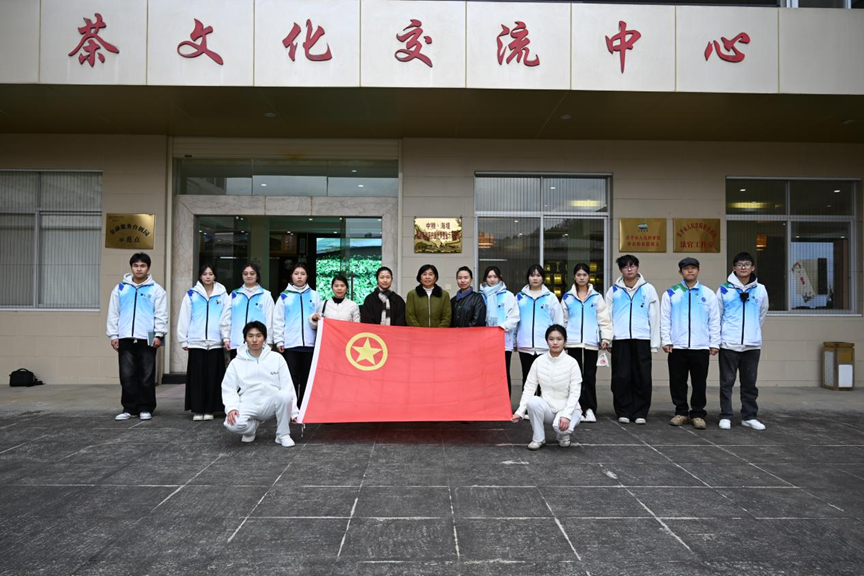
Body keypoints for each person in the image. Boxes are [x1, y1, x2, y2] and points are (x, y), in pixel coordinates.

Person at [106, 253, 168, 421]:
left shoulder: (156, 289)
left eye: (142, 266)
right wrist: (113, 335)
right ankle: (129, 408)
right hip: (125, 336)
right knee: (127, 374)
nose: (139, 269)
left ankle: (145, 407)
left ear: (148, 268)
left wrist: (159, 335)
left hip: (147, 337)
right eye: (136, 265)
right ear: (131, 267)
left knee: (147, 375)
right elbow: (113, 313)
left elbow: (161, 314)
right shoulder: (120, 289)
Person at [660, 257, 720, 430]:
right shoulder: (671, 293)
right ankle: (681, 412)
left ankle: (698, 414)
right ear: (680, 272)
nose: (690, 271)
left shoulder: (708, 294)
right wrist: (667, 340)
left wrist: (714, 343)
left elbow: (714, 320)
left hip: (700, 346)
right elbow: (665, 319)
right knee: (677, 381)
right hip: (677, 346)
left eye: (693, 268)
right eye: (686, 268)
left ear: (698, 270)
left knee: (699, 382)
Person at [222, 321, 298, 447]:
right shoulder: (236, 362)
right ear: (245, 339)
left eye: (258, 336)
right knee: (231, 424)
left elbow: (287, 385)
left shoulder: (276, 358)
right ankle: (251, 429)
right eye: (250, 336)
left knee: (285, 395)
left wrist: (294, 412)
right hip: (248, 403)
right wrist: (232, 407)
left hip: (270, 403)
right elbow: (228, 388)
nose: (254, 340)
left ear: (264, 338)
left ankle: (283, 435)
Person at [716, 252, 769, 431]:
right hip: (729, 344)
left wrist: (752, 332)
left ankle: (749, 416)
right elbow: (717, 316)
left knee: (749, 383)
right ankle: (726, 415)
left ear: (752, 267)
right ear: (734, 268)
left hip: (751, 345)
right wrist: (719, 339)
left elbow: (762, 314)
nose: (743, 267)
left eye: (747, 264)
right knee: (727, 382)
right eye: (739, 264)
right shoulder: (724, 289)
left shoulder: (760, 289)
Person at [605, 255, 660, 425]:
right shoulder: (614, 291)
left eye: (632, 266)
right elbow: (607, 317)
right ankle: (623, 410)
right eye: (625, 267)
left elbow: (655, 316)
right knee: (621, 376)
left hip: (642, 338)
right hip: (620, 339)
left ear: (637, 267)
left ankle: (640, 412)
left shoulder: (648, 289)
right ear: (620, 269)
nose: (629, 269)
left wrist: (654, 343)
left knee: (642, 376)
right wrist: (608, 339)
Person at [511, 325, 583, 450]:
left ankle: (563, 436)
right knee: (533, 401)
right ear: (546, 341)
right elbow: (529, 388)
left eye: (559, 339)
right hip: (548, 409)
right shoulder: (539, 361)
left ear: (565, 341)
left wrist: (566, 414)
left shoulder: (572, 363)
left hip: (570, 409)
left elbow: (575, 392)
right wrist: (520, 411)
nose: (555, 342)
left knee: (560, 427)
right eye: (551, 339)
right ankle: (538, 439)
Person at [177, 263, 230, 421]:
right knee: (197, 379)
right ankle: (198, 409)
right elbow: (184, 317)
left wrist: (225, 337)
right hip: (196, 342)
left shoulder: (223, 294)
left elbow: (226, 318)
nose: (208, 277)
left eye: (211, 274)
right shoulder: (191, 294)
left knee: (213, 378)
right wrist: (183, 339)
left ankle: (210, 410)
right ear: (200, 276)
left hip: (215, 342)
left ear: (215, 276)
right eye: (205, 274)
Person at [561, 263, 612, 423]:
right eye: (578, 275)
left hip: (591, 342)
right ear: (574, 277)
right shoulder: (567, 297)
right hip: (573, 343)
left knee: (590, 376)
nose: (581, 277)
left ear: (589, 277)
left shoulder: (597, 297)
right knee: (574, 377)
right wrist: (562, 340)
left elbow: (604, 320)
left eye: (584, 275)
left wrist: (605, 338)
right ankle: (576, 408)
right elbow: (563, 321)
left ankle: (589, 408)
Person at [273, 263, 321, 406]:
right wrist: (279, 341)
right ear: (291, 276)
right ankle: (292, 407)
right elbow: (278, 320)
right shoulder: (284, 296)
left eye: (303, 274)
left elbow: (320, 318)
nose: (299, 277)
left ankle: (303, 406)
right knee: (291, 377)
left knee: (307, 377)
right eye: (296, 273)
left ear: (307, 276)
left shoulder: (314, 295)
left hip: (310, 344)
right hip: (291, 344)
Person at [516, 264, 564, 392]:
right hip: (525, 345)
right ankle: (528, 403)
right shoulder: (520, 297)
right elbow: (515, 320)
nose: (535, 278)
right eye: (532, 275)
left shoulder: (550, 297)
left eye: (538, 275)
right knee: (527, 378)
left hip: (544, 346)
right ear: (528, 277)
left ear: (543, 278)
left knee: (545, 380)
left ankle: (544, 404)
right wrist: (515, 340)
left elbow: (558, 321)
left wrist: (558, 341)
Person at [479, 266, 520, 397]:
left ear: (500, 278)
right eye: (489, 277)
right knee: (487, 374)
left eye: (495, 277)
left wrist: (500, 329)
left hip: (503, 341)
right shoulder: (481, 296)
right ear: (485, 278)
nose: (492, 279)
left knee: (504, 373)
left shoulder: (508, 296)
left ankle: (505, 402)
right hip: (485, 343)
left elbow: (514, 317)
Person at [221, 263, 273, 360]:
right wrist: (226, 338)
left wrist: (269, 341)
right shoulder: (234, 295)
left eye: (252, 273)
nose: (249, 276)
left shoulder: (266, 295)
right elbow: (226, 317)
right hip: (237, 343)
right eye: (245, 274)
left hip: (258, 344)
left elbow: (270, 320)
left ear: (257, 276)